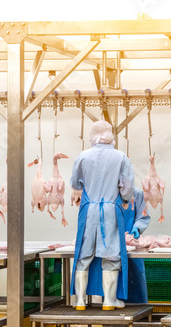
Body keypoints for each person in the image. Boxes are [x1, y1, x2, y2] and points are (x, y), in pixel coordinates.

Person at [70, 120, 135, 311]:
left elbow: (75, 184)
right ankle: (109, 300)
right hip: (110, 209)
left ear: (92, 135)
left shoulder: (83, 156)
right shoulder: (121, 157)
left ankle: (80, 301)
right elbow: (128, 188)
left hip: (89, 209)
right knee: (111, 255)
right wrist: (123, 197)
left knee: (83, 255)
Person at [122, 189, 150, 303]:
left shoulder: (137, 194)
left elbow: (143, 216)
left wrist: (137, 228)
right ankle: (113, 318)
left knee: (136, 280)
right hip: (111, 246)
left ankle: (141, 316)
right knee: (112, 280)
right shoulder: (107, 193)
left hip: (133, 245)